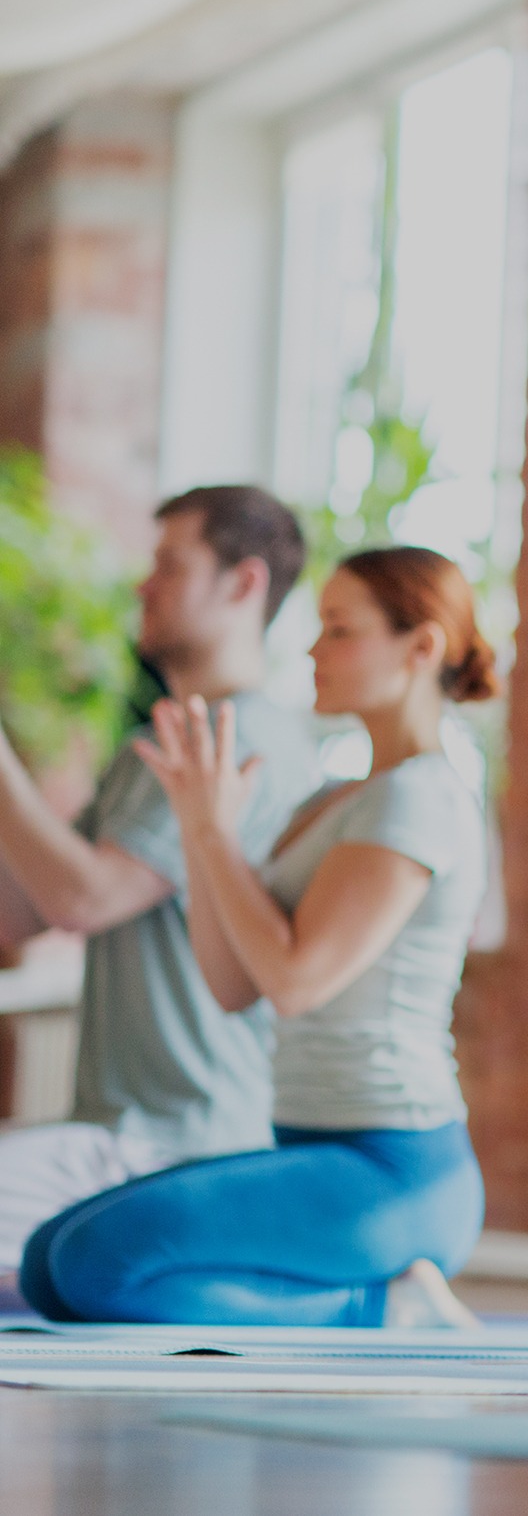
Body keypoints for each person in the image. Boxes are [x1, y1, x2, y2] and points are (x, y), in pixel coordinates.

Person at [19, 547, 495, 1326]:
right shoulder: (335, 800)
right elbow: (233, 982)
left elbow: (296, 981)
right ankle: (367, 1300)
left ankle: (379, 1307)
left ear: (421, 647)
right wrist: (205, 832)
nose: (312, 649)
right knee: (50, 1263)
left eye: (340, 630)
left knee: (96, 1268)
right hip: (310, 1148)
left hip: (396, 1169)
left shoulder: (422, 798)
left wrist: (211, 837)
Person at [0, 488, 321, 1269]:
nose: (143, 586)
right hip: (113, 1135)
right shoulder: (153, 745)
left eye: (169, 565)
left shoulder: (242, 739)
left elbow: (86, 897)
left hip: (182, 1143)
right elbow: (23, 912)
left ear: (243, 584)